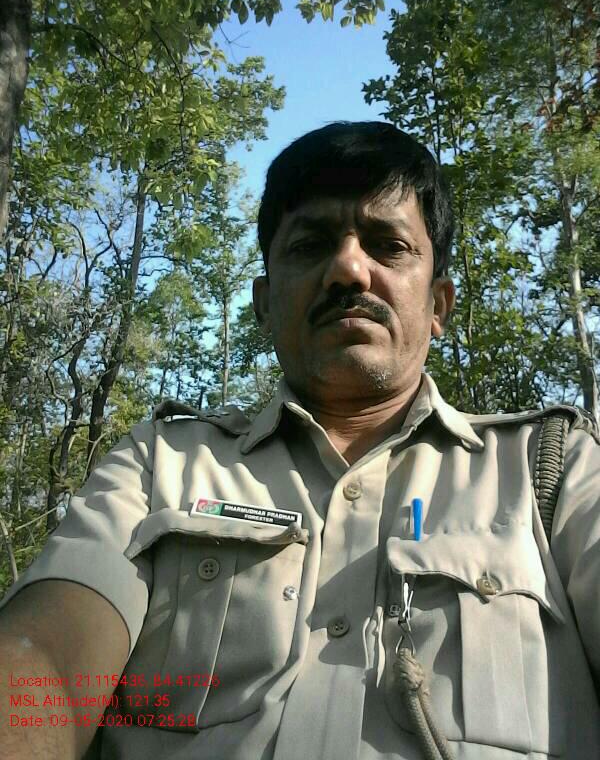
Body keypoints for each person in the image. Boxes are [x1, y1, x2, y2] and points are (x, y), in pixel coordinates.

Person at [0, 121, 599, 760]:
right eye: (311, 245)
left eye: (389, 246)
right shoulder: (159, 465)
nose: (348, 269)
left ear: (439, 305)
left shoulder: (554, 470)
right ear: (263, 304)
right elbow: (42, 669)